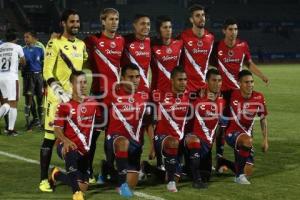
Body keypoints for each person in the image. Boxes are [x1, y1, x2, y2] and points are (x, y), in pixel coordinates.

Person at [210, 18, 269, 170]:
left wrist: (261, 76)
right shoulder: (217, 46)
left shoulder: (243, 46)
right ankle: (219, 156)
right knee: (221, 125)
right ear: (224, 31)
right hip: (222, 93)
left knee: (246, 120)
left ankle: (245, 149)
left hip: (238, 92)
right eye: (230, 29)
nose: (233, 32)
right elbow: (208, 66)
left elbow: (249, 63)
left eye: (235, 29)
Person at [39, 9, 88, 192]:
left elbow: (84, 64)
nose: (75, 24)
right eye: (72, 21)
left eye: (77, 21)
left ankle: (81, 172)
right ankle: (44, 179)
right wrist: (60, 93)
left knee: (77, 136)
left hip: (74, 101)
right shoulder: (54, 43)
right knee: (50, 138)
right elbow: (47, 72)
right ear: (63, 23)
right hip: (57, 99)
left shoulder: (82, 45)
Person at [84, 7, 125, 183]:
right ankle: (87, 170)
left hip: (115, 96)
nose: (114, 22)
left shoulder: (122, 40)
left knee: (113, 136)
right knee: (92, 136)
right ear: (102, 21)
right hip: (99, 96)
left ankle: (108, 169)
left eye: (116, 19)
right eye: (110, 19)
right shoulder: (92, 40)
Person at [50, 71, 100, 200]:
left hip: (84, 150)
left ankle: (56, 174)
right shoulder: (64, 105)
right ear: (72, 84)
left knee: (84, 186)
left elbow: (101, 121)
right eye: (79, 82)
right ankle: (76, 193)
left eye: (84, 82)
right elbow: (57, 129)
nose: (83, 85)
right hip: (65, 145)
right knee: (70, 149)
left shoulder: (93, 104)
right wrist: (65, 140)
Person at [104, 63, 149, 197]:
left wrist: (152, 144)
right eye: (130, 77)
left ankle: (108, 169)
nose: (135, 80)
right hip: (116, 141)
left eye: (137, 77)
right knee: (123, 142)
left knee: (132, 184)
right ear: (122, 78)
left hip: (135, 146)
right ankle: (120, 183)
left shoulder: (145, 96)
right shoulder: (111, 94)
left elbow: (148, 123)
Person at [184, 68, 231, 188]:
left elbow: (221, 130)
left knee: (205, 176)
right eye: (214, 80)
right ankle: (196, 181)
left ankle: (148, 168)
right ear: (206, 81)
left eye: (219, 80)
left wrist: (219, 153)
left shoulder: (222, 101)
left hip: (207, 148)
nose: (217, 83)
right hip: (192, 144)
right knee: (178, 176)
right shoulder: (196, 98)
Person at [150, 66, 190, 192]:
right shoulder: (159, 96)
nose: (183, 82)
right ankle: (171, 183)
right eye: (180, 80)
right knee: (172, 143)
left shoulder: (189, 96)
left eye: (185, 79)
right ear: (171, 80)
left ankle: (148, 169)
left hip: (179, 141)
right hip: (162, 139)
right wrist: (152, 146)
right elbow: (150, 122)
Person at [225, 70, 268, 184]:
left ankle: (225, 163)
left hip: (246, 135)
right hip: (231, 133)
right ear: (239, 83)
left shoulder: (259, 97)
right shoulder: (231, 94)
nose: (250, 85)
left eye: (252, 82)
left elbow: (263, 118)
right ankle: (238, 177)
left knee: (248, 172)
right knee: (247, 141)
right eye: (246, 82)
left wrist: (265, 139)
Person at [180, 4, 214, 93]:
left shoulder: (210, 38)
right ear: (191, 20)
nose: (202, 18)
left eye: (203, 15)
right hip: (187, 89)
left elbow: (209, 62)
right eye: (198, 15)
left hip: (205, 89)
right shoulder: (183, 37)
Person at [0, 29, 26, 136]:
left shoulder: (0, 47)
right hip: (11, 77)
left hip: (0, 76)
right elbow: (24, 61)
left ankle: (9, 129)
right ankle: (11, 130)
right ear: (15, 39)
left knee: (5, 103)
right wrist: (19, 62)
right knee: (13, 104)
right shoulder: (17, 47)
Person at [151, 15, 183, 92]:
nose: (168, 30)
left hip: (176, 89)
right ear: (159, 30)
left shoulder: (179, 44)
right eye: (165, 27)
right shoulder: (152, 47)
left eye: (170, 27)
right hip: (159, 90)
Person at [122, 14, 151, 92]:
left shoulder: (150, 42)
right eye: (142, 24)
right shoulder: (124, 41)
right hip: (127, 90)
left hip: (145, 90)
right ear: (134, 25)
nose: (146, 27)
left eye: (148, 24)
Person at [23, 30, 45, 130]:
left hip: (39, 76)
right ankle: (28, 123)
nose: (25, 39)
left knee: (40, 100)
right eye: (24, 37)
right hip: (28, 77)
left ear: (33, 38)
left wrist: (44, 78)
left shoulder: (40, 49)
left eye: (27, 37)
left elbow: (44, 63)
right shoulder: (22, 50)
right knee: (29, 100)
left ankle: (40, 122)